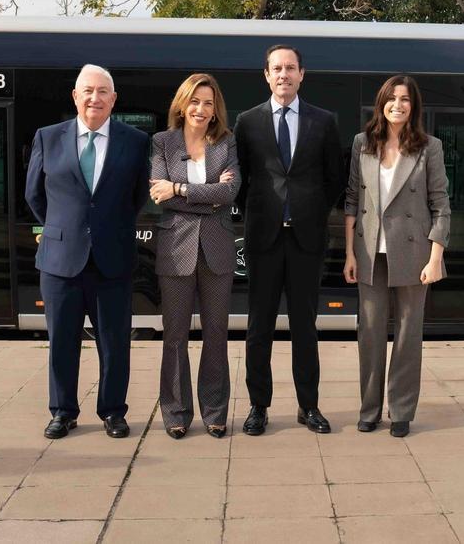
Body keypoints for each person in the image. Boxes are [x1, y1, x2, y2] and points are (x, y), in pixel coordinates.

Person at [26, 64, 150, 440]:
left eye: (102, 92)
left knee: (115, 342)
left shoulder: (135, 141)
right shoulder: (48, 138)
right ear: (75, 97)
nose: (95, 98)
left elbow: (138, 197)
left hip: (112, 259)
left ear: (114, 100)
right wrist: (66, 229)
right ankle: (63, 412)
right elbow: (34, 194)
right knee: (62, 342)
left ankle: (113, 412)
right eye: (88, 91)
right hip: (60, 261)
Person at [235, 44, 344, 435]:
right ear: (266, 75)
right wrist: (264, 212)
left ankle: (308, 406)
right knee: (258, 327)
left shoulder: (324, 121)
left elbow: (334, 178)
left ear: (302, 74)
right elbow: (243, 180)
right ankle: (258, 407)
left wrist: (308, 211)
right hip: (263, 240)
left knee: (305, 327)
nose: (284, 74)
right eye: (277, 68)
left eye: (291, 68)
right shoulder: (247, 122)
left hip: (306, 241)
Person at [343, 75, 450, 437]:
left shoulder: (429, 147)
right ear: (381, 103)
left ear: (413, 106)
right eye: (392, 98)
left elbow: (441, 205)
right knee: (370, 334)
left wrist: (436, 258)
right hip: (369, 251)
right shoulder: (363, 143)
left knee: (407, 335)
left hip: (415, 254)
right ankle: (369, 410)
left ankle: (401, 410)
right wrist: (349, 254)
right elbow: (352, 203)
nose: (398, 105)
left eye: (405, 99)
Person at [150, 73, 241, 439]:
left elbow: (231, 192)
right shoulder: (162, 143)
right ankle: (176, 412)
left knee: (216, 334)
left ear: (215, 109)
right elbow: (160, 194)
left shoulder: (227, 143)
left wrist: (182, 188)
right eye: (194, 101)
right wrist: (209, 195)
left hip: (217, 250)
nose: (200, 109)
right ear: (182, 104)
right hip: (175, 250)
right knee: (174, 335)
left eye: (207, 102)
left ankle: (215, 411)